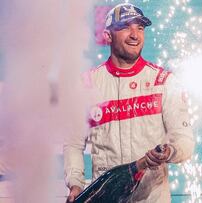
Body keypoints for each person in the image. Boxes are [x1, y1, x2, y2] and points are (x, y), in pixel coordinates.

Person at [64, 3, 195, 203]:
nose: (135, 35)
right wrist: (76, 184)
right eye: (126, 27)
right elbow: (73, 143)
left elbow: (184, 141)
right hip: (106, 197)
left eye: (140, 28)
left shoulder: (164, 82)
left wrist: (169, 152)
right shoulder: (87, 85)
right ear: (108, 36)